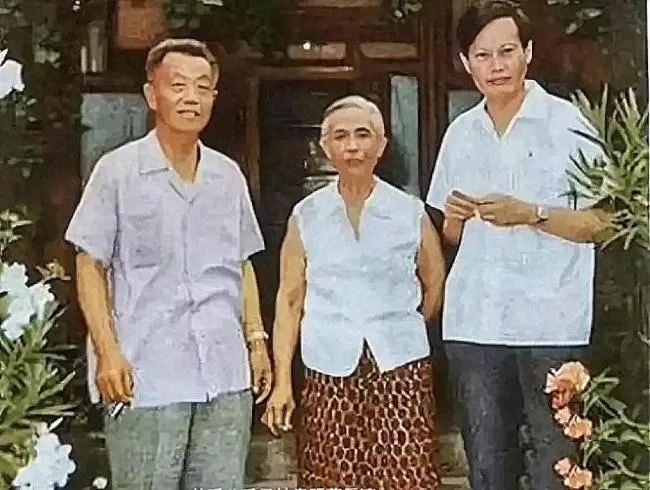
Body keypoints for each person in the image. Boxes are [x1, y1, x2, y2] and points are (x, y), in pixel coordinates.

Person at [65, 38, 272, 490]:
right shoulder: (117, 171)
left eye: (202, 87)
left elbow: (242, 264)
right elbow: (89, 265)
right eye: (177, 85)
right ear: (151, 94)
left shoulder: (227, 176)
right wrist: (107, 351)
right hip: (145, 373)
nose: (191, 97)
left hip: (224, 373)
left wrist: (256, 339)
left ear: (214, 97)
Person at [426, 2, 611, 489]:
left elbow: (604, 222)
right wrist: (455, 220)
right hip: (475, 325)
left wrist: (532, 214)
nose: (497, 65)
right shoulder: (460, 134)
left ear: (527, 52)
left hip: (551, 324)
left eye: (507, 51)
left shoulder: (568, 124)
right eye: (482, 55)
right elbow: (450, 236)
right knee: (489, 470)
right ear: (466, 63)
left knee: (559, 468)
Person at [262, 95, 446, 489]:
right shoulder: (307, 214)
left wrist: (401, 327)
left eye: (363, 135)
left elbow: (434, 284)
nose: (352, 146)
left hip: (401, 368)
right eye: (340, 136)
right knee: (332, 478)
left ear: (381, 145)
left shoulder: (409, 210)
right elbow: (290, 300)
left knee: (407, 477)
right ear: (325, 146)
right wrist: (282, 381)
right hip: (328, 367)